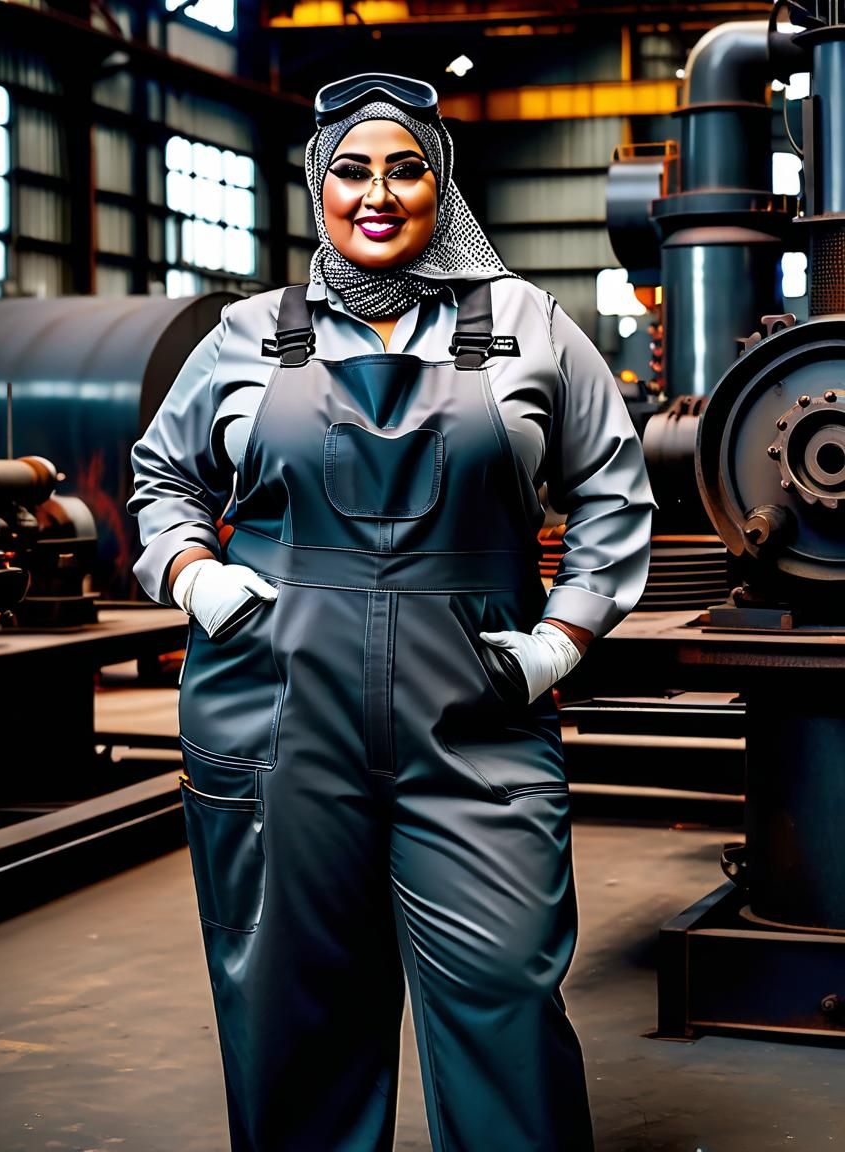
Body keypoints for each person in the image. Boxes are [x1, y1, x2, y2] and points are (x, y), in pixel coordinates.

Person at [127, 72, 656, 1152]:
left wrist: (560, 640)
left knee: (504, 993)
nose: (378, 194)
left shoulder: (528, 326)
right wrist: (190, 574)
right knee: (292, 1012)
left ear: (439, 186)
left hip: (476, 724)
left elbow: (612, 485)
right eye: (352, 171)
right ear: (319, 186)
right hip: (277, 717)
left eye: (406, 169)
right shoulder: (241, 336)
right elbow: (160, 479)